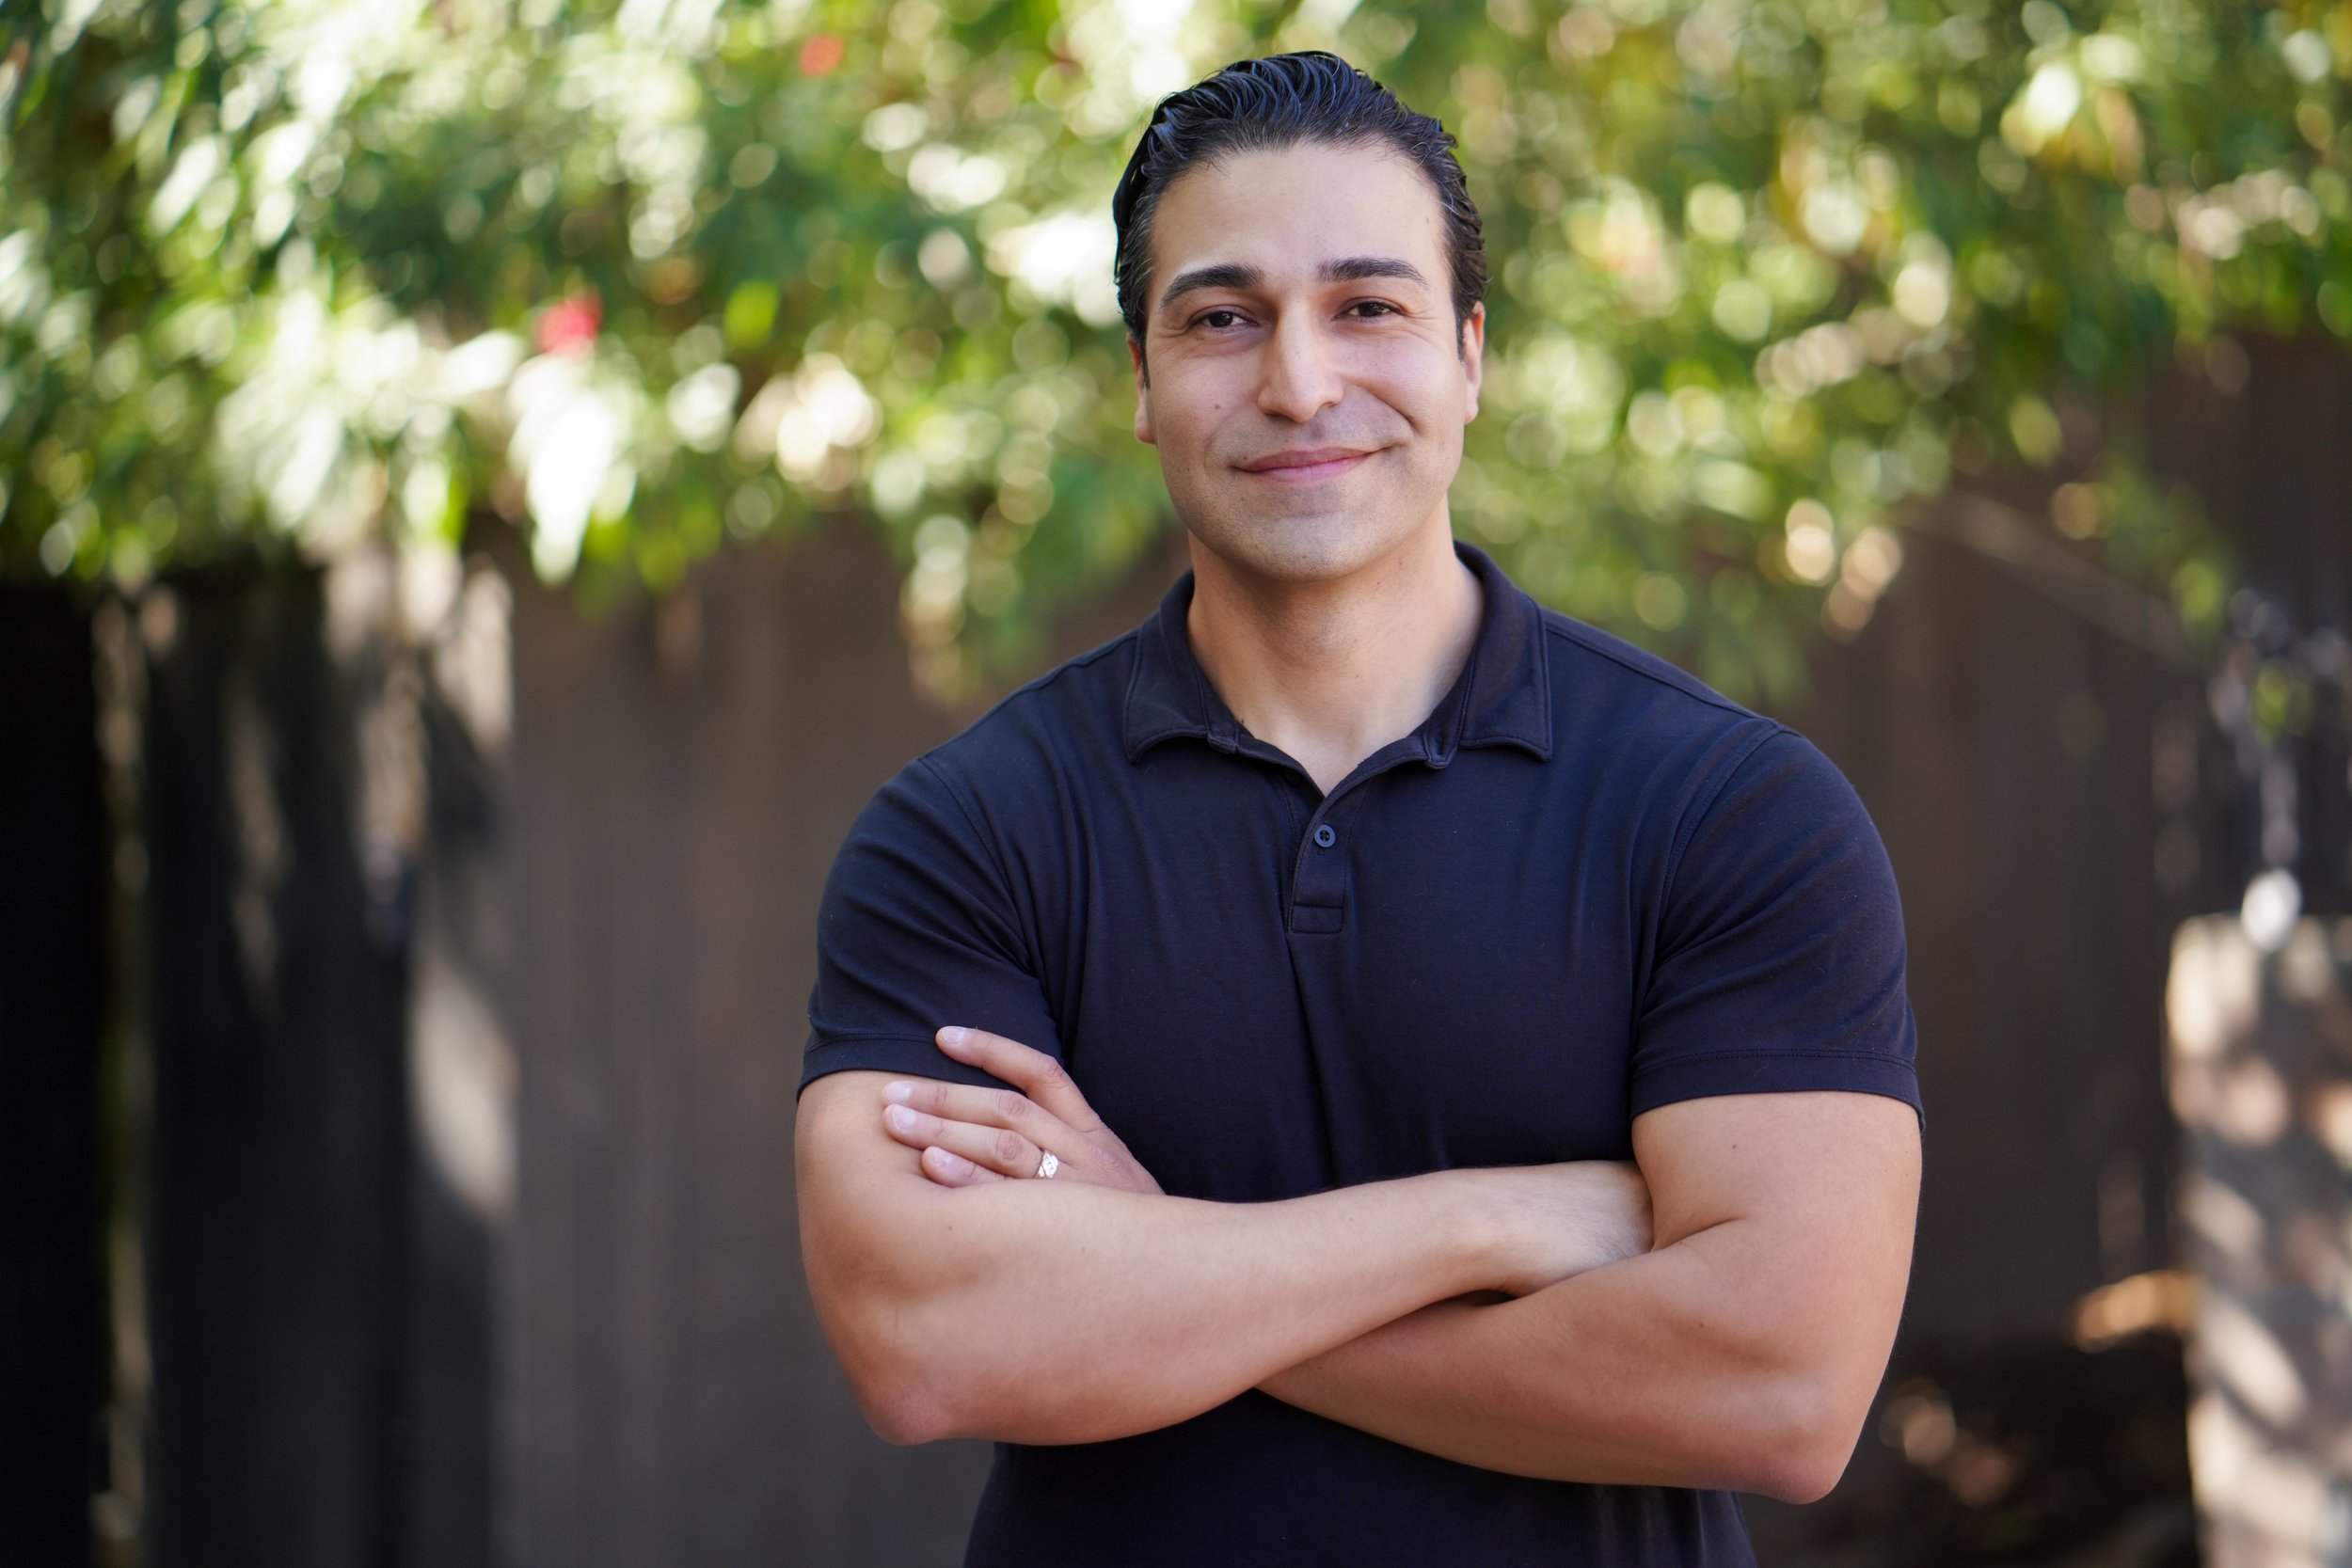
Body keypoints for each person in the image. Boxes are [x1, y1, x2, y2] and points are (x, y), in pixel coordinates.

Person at [793, 51, 1921, 1567]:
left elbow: (1779, 1388)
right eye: (1222, 317)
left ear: (1469, 356)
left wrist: (1153, 1260)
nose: (1300, 381)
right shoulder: (971, 836)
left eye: (1367, 307)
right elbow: (930, 1344)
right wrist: (1490, 1225)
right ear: (1140, 376)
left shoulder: (1727, 813)